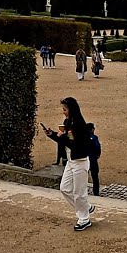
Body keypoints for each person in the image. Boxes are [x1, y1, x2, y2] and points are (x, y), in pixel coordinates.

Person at [41, 97, 95, 231]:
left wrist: (61, 137)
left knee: (79, 192)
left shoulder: (79, 125)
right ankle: (85, 208)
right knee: (64, 188)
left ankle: (84, 219)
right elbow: (65, 140)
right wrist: (52, 134)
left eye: (65, 109)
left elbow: (75, 144)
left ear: (71, 109)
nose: (63, 112)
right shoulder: (68, 122)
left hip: (80, 161)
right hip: (71, 161)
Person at [86, 122, 102, 197]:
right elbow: (97, 147)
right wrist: (97, 155)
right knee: (95, 176)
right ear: (92, 129)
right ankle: (96, 192)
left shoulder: (83, 137)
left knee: (84, 176)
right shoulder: (94, 137)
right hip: (92, 159)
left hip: (85, 159)